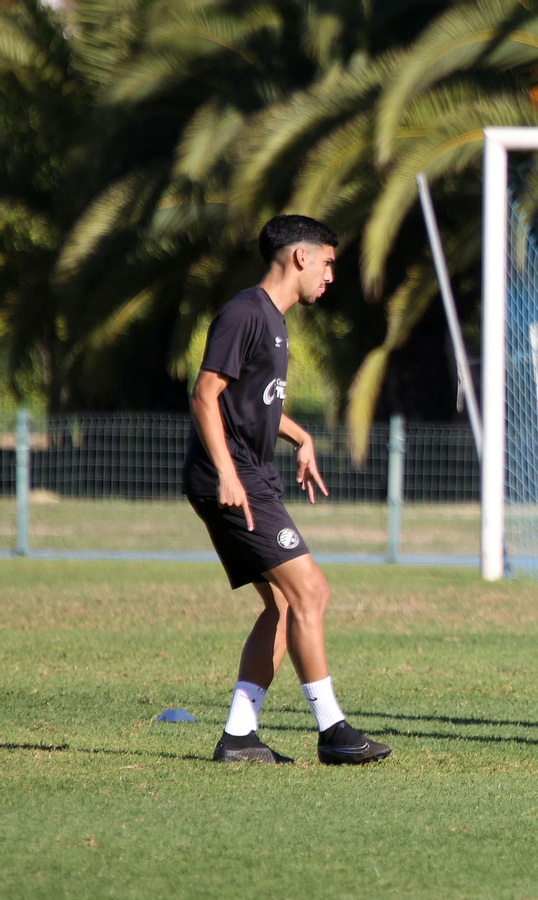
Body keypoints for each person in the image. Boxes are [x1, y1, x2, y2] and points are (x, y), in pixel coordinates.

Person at [187, 215, 391, 765]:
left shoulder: (274, 321)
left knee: (282, 605)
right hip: (233, 480)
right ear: (299, 257)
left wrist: (299, 434)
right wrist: (227, 472)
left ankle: (238, 737)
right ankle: (333, 730)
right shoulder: (244, 313)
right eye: (327, 263)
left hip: (252, 476)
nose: (330, 276)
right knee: (311, 592)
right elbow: (206, 395)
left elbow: (252, 401)